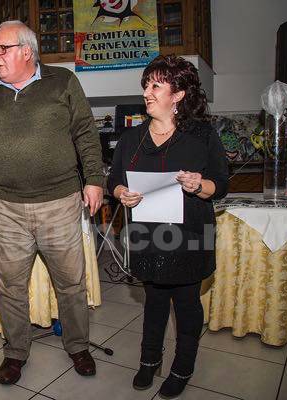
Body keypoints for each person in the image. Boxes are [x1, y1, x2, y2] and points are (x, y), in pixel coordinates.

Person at [0, 20, 104, 385]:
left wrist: (95, 180)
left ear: (27, 51)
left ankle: (78, 345)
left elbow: (85, 132)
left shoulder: (63, 81)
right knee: (10, 287)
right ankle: (15, 352)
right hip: (7, 206)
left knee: (70, 283)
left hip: (60, 201)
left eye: (1, 49)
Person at [107, 55, 228, 398]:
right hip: (147, 231)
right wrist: (120, 193)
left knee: (187, 301)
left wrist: (199, 184)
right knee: (154, 299)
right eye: (146, 85)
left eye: (156, 85)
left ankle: (182, 367)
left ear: (178, 94)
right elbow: (115, 178)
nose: (147, 91)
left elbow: (221, 182)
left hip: (191, 231)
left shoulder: (201, 135)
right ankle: (149, 360)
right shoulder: (131, 138)